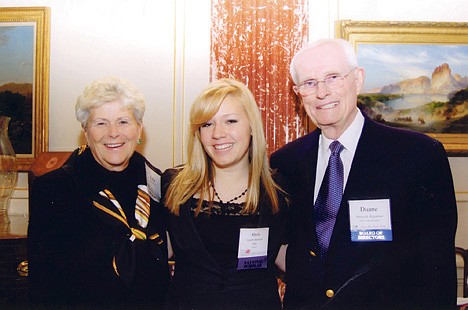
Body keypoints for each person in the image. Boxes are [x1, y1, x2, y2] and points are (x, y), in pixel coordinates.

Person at [270, 38, 458, 309]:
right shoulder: (285, 162)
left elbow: (436, 265)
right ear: (298, 92)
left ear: (358, 79)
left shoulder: (418, 155)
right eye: (309, 83)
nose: (322, 92)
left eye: (333, 77)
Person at [28, 76, 170, 308]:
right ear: (86, 130)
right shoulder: (54, 189)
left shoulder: (159, 184)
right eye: (101, 123)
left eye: (123, 122)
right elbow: (42, 287)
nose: (113, 133)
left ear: (139, 128)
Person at [162, 78, 289, 309]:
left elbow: (289, 258)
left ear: (252, 125)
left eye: (230, 121)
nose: (218, 134)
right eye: (207, 124)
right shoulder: (172, 185)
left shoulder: (279, 190)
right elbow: (155, 254)